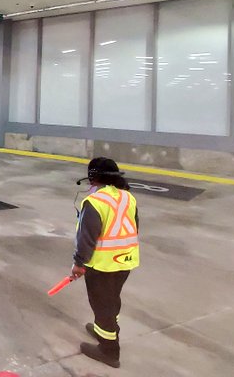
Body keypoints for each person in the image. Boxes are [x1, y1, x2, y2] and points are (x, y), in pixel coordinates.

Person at [70, 157, 140, 369]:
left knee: (101, 304)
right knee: (111, 299)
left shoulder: (94, 202)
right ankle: (106, 329)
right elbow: (135, 226)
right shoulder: (128, 197)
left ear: (93, 177)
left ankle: (109, 350)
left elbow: (86, 238)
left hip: (102, 264)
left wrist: (79, 263)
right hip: (125, 260)